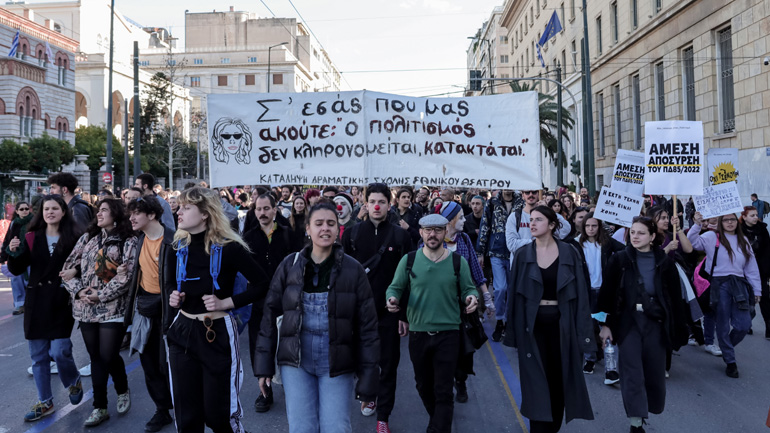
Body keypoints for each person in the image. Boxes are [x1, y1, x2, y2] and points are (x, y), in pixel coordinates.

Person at [256, 201, 380, 433]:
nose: (325, 229)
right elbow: (269, 316)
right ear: (308, 228)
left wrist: (368, 380)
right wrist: (263, 368)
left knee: (336, 428)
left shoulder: (354, 270)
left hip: (337, 361)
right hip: (296, 360)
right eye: (319, 223)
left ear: (338, 228)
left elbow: (368, 329)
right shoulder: (288, 265)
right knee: (302, 428)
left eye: (331, 224)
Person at [164, 187, 268, 433]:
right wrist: (173, 296)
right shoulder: (176, 247)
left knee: (219, 415)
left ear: (204, 214)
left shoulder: (230, 247)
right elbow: (169, 284)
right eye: (179, 206)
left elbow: (263, 283)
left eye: (187, 207)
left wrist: (226, 303)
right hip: (183, 331)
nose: (179, 212)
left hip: (217, 332)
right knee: (187, 417)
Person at [504, 205, 594, 433]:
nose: (532, 224)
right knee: (535, 382)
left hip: (562, 325)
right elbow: (513, 294)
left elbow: (582, 293)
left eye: (538, 220)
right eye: (531, 219)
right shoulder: (523, 254)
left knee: (558, 381)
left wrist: (585, 333)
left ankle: (552, 427)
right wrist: (512, 331)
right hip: (532, 327)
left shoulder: (569, 252)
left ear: (552, 225)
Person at [386, 214, 479, 433]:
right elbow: (395, 288)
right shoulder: (409, 260)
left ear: (445, 232)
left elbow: (468, 288)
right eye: (428, 230)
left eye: (437, 230)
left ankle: (438, 429)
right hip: (418, 334)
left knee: (444, 391)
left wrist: (472, 297)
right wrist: (392, 299)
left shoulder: (458, 261)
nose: (432, 234)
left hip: (449, 334)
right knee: (423, 386)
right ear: (420, 233)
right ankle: (437, 422)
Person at [598, 216, 688, 432]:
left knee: (654, 374)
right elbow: (606, 295)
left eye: (641, 233)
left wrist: (679, 328)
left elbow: (675, 298)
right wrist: (606, 325)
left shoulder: (665, 263)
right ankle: (636, 423)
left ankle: (648, 408)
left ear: (652, 236)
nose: (635, 237)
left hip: (655, 323)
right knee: (632, 373)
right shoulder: (619, 260)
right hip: (628, 323)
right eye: (633, 232)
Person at [7, 195, 85, 422]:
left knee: (60, 350)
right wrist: (14, 251)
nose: (50, 212)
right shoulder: (31, 237)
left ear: (63, 212)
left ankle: (72, 381)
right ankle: (45, 401)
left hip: (61, 300)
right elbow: (18, 267)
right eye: (46, 209)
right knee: (38, 356)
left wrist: (76, 272)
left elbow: (85, 264)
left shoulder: (75, 237)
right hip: (37, 300)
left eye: (54, 208)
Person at [341, 183, 411, 432]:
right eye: (373, 201)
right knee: (363, 360)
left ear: (389, 205)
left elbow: (408, 278)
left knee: (389, 363)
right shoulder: (351, 235)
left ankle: (384, 416)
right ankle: (369, 393)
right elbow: (343, 274)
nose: (377, 206)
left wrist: (404, 313)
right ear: (365, 203)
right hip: (360, 313)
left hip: (389, 313)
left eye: (382, 201)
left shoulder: (401, 236)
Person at [62, 198, 138, 426]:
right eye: (99, 210)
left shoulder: (128, 240)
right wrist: (79, 292)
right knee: (98, 357)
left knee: (105, 355)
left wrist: (101, 295)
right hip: (85, 309)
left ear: (116, 214)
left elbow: (128, 277)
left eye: (104, 210)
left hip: (113, 309)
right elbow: (67, 270)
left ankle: (111, 397)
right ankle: (108, 400)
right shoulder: (87, 239)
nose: (99, 214)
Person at [687, 212, 762, 378]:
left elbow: (751, 268)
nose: (729, 223)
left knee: (743, 324)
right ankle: (730, 361)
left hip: (740, 285)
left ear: (737, 221)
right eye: (726, 220)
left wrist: (757, 290)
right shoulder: (711, 236)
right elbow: (692, 243)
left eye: (732, 219)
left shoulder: (744, 242)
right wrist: (697, 225)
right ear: (721, 222)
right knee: (722, 322)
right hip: (719, 285)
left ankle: (725, 345)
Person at [124, 196, 175, 432]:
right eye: (130, 213)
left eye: (136, 213)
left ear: (152, 215)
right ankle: (162, 410)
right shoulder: (140, 239)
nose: (131, 218)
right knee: (149, 362)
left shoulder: (174, 240)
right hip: (146, 309)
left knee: (173, 363)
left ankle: (183, 406)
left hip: (171, 310)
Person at [436, 201, 495, 404]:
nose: (463, 220)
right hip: (441, 307)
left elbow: (476, 271)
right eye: (460, 217)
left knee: (465, 349)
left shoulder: (464, 240)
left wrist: (487, 298)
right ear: (450, 220)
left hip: (465, 306)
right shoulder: (433, 241)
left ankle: (460, 380)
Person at [242, 193, 294, 413]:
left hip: (285, 301)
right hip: (258, 301)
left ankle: (293, 389)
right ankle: (265, 391)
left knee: (287, 344)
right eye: (258, 209)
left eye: (266, 208)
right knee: (259, 345)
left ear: (275, 210)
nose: (262, 213)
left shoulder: (288, 235)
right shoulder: (248, 237)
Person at [504, 190, 572, 338]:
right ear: (522, 195)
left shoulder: (549, 217)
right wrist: (538, 242)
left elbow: (566, 228)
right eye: (527, 192)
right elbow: (511, 244)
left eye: (534, 192)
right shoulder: (514, 217)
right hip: (524, 270)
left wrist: (549, 211)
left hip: (546, 269)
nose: (531, 195)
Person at [578, 213, 625, 381]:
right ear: (583, 227)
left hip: (604, 292)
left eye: (594, 226)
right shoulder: (577, 244)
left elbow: (625, 251)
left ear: (599, 227)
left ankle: (611, 367)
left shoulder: (607, 243)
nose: (591, 229)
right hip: (586, 292)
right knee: (589, 327)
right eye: (587, 226)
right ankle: (589, 359)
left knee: (607, 327)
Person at [476, 190, 521, 342]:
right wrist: (480, 251)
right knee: (501, 288)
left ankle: (508, 322)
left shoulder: (521, 202)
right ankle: (500, 320)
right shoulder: (492, 202)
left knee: (511, 289)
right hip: (496, 250)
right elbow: (485, 226)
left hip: (515, 251)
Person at [740, 206, 770, 339]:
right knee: (746, 298)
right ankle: (747, 324)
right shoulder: (738, 230)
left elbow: (768, 250)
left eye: (756, 215)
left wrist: (766, 269)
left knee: (765, 298)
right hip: (742, 269)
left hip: (760, 268)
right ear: (744, 217)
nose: (755, 218)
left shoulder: (762, 230)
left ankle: (769, 327)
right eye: (752, 215)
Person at [1, 201, 32, 315]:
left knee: (29, 280)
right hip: (16, 257)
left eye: (26, 209)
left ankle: (30, 303)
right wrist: (3, 256)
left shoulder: (34, 222)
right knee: (16, 280)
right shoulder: (14, 223)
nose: (24, 211)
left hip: (30, 257)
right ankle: (20, 305)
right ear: (17, 211)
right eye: (22, 209)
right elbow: (7, 240)